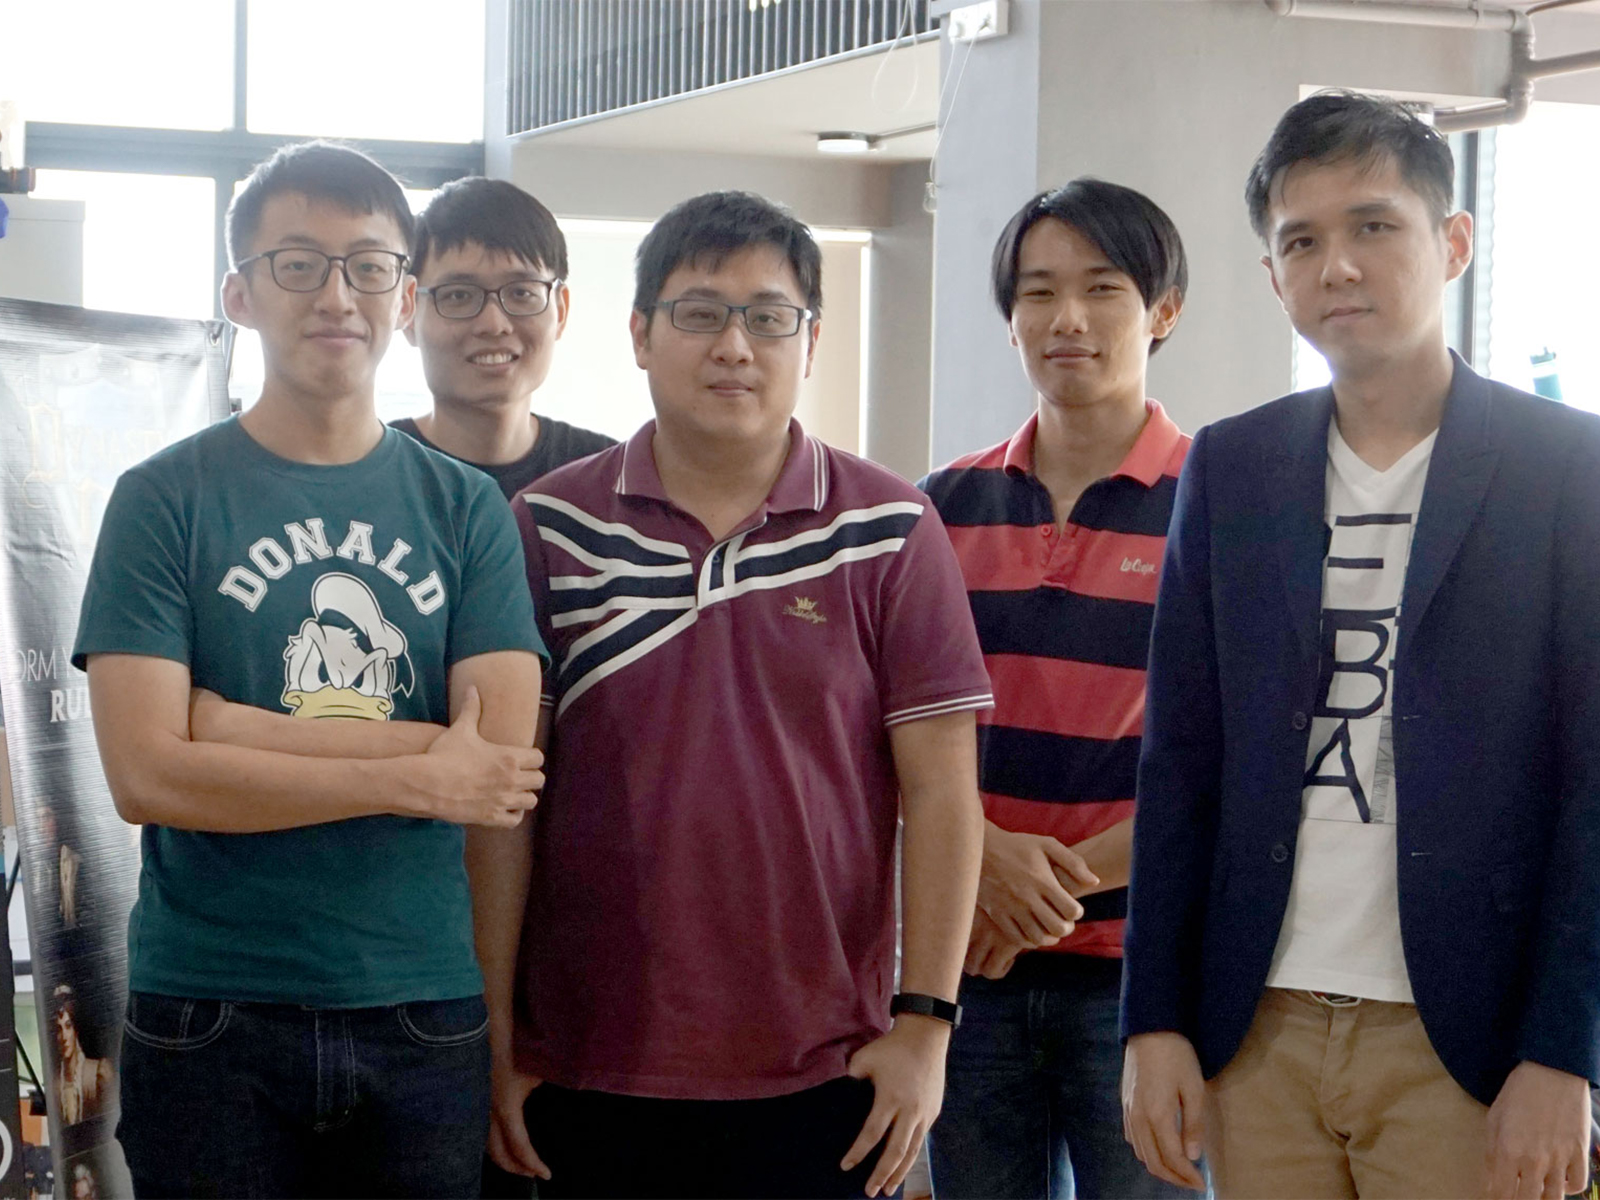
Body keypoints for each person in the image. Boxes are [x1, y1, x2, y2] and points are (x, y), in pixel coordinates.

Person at [1120, 90, 1600, 1200]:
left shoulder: (1565, 470)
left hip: (1467, 1044)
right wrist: (1153, 1020)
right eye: (1301, 241)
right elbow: (1179, 764)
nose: (1336, 266)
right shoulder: (1232, 470)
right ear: (1271, 274)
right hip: (1258, 1030)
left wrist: (1566, 1050)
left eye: (1373, 226)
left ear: (1453, 242)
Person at [478, 190, 995, 1200]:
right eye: (700, 312)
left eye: (769, 317)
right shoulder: (546, 527)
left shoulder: (888, 528)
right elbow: (507, 804)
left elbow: (941, 792)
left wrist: (925, 1022)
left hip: (825, 1066)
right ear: (638, 333)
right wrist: (497, 1030)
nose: (735, 346)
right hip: (588, 1063)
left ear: (808, 341)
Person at [73, 140, 547, 1198]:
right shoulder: (163, 500)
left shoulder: (465, 508)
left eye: (368, 265)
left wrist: (236, 730)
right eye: (299, 263)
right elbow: (148, 777)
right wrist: (416, 770)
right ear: (240, 292)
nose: (337, 294)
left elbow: (500, 769)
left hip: (421, 1008)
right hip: (211, 1011)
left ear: (407, 295)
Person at [919, 179, 1190, 1200]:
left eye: (1102, 288)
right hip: (967, 967)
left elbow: (1234, 755)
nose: (1065, 320)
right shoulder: (937, 508)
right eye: (1037, 293)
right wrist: (979, 859)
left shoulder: (1217, 505)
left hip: (1143, 983)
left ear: (1161, 313)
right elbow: (876, 729)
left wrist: (1039, 891)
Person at [396, 176, 614, 499]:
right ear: (408, 312)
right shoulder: (367, 473)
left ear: (561, 310)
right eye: (458, 295)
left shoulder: (611, 480)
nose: (494, 324)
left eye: (521, 292)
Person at [52, 985, 114, 1125]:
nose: (64, 1037)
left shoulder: (98, 1073)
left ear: (76, 1031)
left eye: (68, 1026)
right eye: (59, 1029)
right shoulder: (54, 1086)